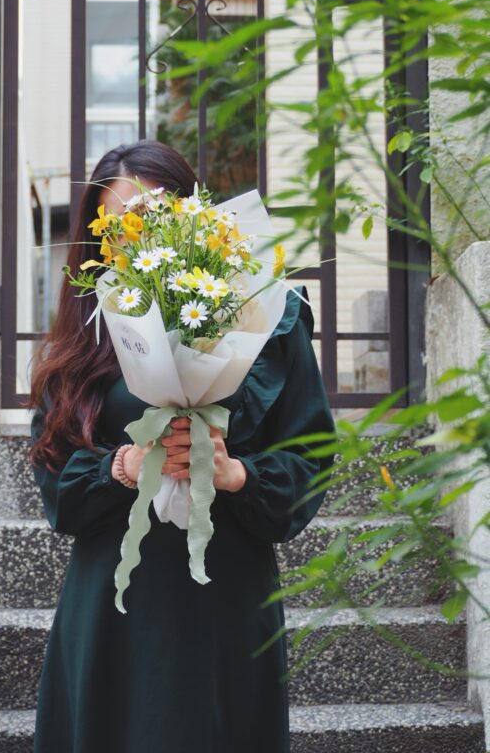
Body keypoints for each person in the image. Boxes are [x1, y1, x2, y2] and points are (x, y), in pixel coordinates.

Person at [26, 138, 336, 753]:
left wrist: (235, 474)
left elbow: (310, 457)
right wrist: (125, 464)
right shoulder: (88, 327)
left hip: (225, 597)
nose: (137, 237)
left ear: (196, 218)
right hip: (113, 603)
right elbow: (55, 476)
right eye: (119, 227)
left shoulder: (268, 315)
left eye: (155, 217)